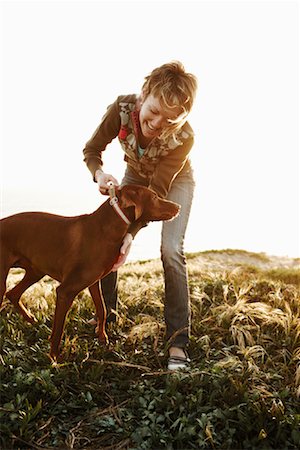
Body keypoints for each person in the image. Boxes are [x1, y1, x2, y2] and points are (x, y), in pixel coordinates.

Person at [83, 61, 198, 370]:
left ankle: (178, 344)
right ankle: (105, 319)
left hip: (172, 184)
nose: (157, 123)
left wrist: (132, 233)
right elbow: (92, 150)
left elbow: (157, 194)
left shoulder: (184, 137)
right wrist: (101, 176)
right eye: (155, 111)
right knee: (109, 240)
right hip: (134, 176)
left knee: (171, 250)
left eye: (169, 119)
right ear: (144, 93)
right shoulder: (120, 110)